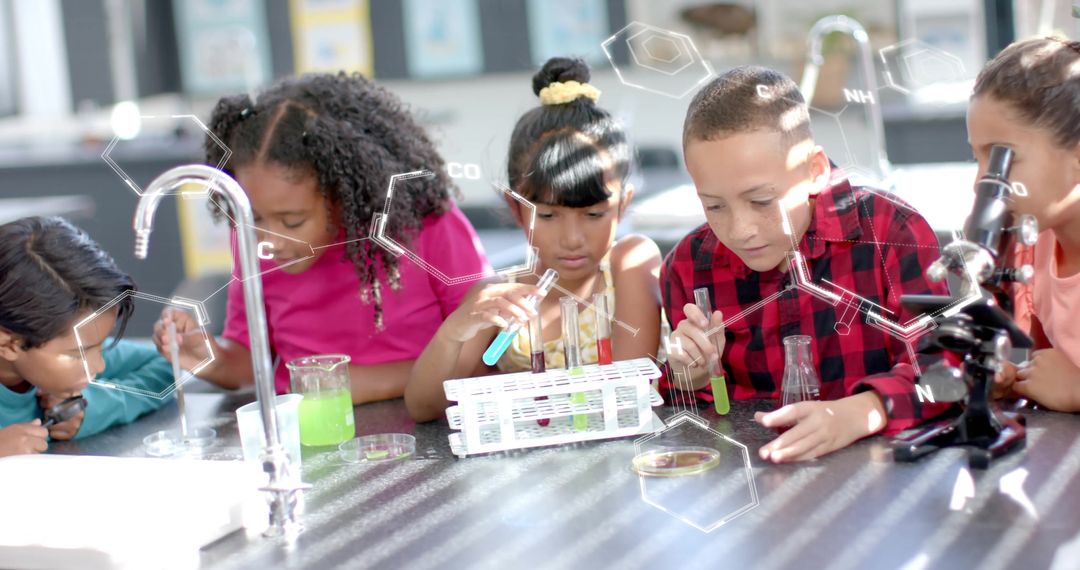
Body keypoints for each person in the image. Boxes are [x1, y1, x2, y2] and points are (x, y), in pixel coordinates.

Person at [664, 66, 951, 463]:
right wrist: (687, 377)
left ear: (814, 170)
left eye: (762, 201)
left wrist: (865, 411)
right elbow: (687, 408)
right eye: (714, 205)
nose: (740, 229)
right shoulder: (687, 266)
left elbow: (948, 369)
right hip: (753, 487)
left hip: (884, 479)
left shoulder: (892, 233)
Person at [155, 73, 490, 402]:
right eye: (254, 218)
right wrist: (207, 355)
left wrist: (370, 383)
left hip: (422, 421)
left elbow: (480, 341)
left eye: (293, 221)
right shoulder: (250, 240)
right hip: (310, 432)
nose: (269, 241)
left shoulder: (425, 223)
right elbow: (248, 363)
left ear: (343, 195)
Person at [405, 57, 662, 422]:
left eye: (593, 214)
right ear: (516, 208)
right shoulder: (499, 297)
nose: (572, 238)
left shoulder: (630, 262)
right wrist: (454, 332)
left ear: (623, 206)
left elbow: (624, 395)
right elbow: (423, 407)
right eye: (547, 215)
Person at [0, 216, 173, 457]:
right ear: (8, 343)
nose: (98, 365)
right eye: (77, 355)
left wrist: (96, 407)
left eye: (100, 346)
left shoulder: (69, 339)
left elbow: (168, 366)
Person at [971, 37, 1080, 411]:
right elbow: (1048, 363)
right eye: (978, 159)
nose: (981, 182)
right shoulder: (1035, 242)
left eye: (1004, 157)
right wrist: (1013, 376)